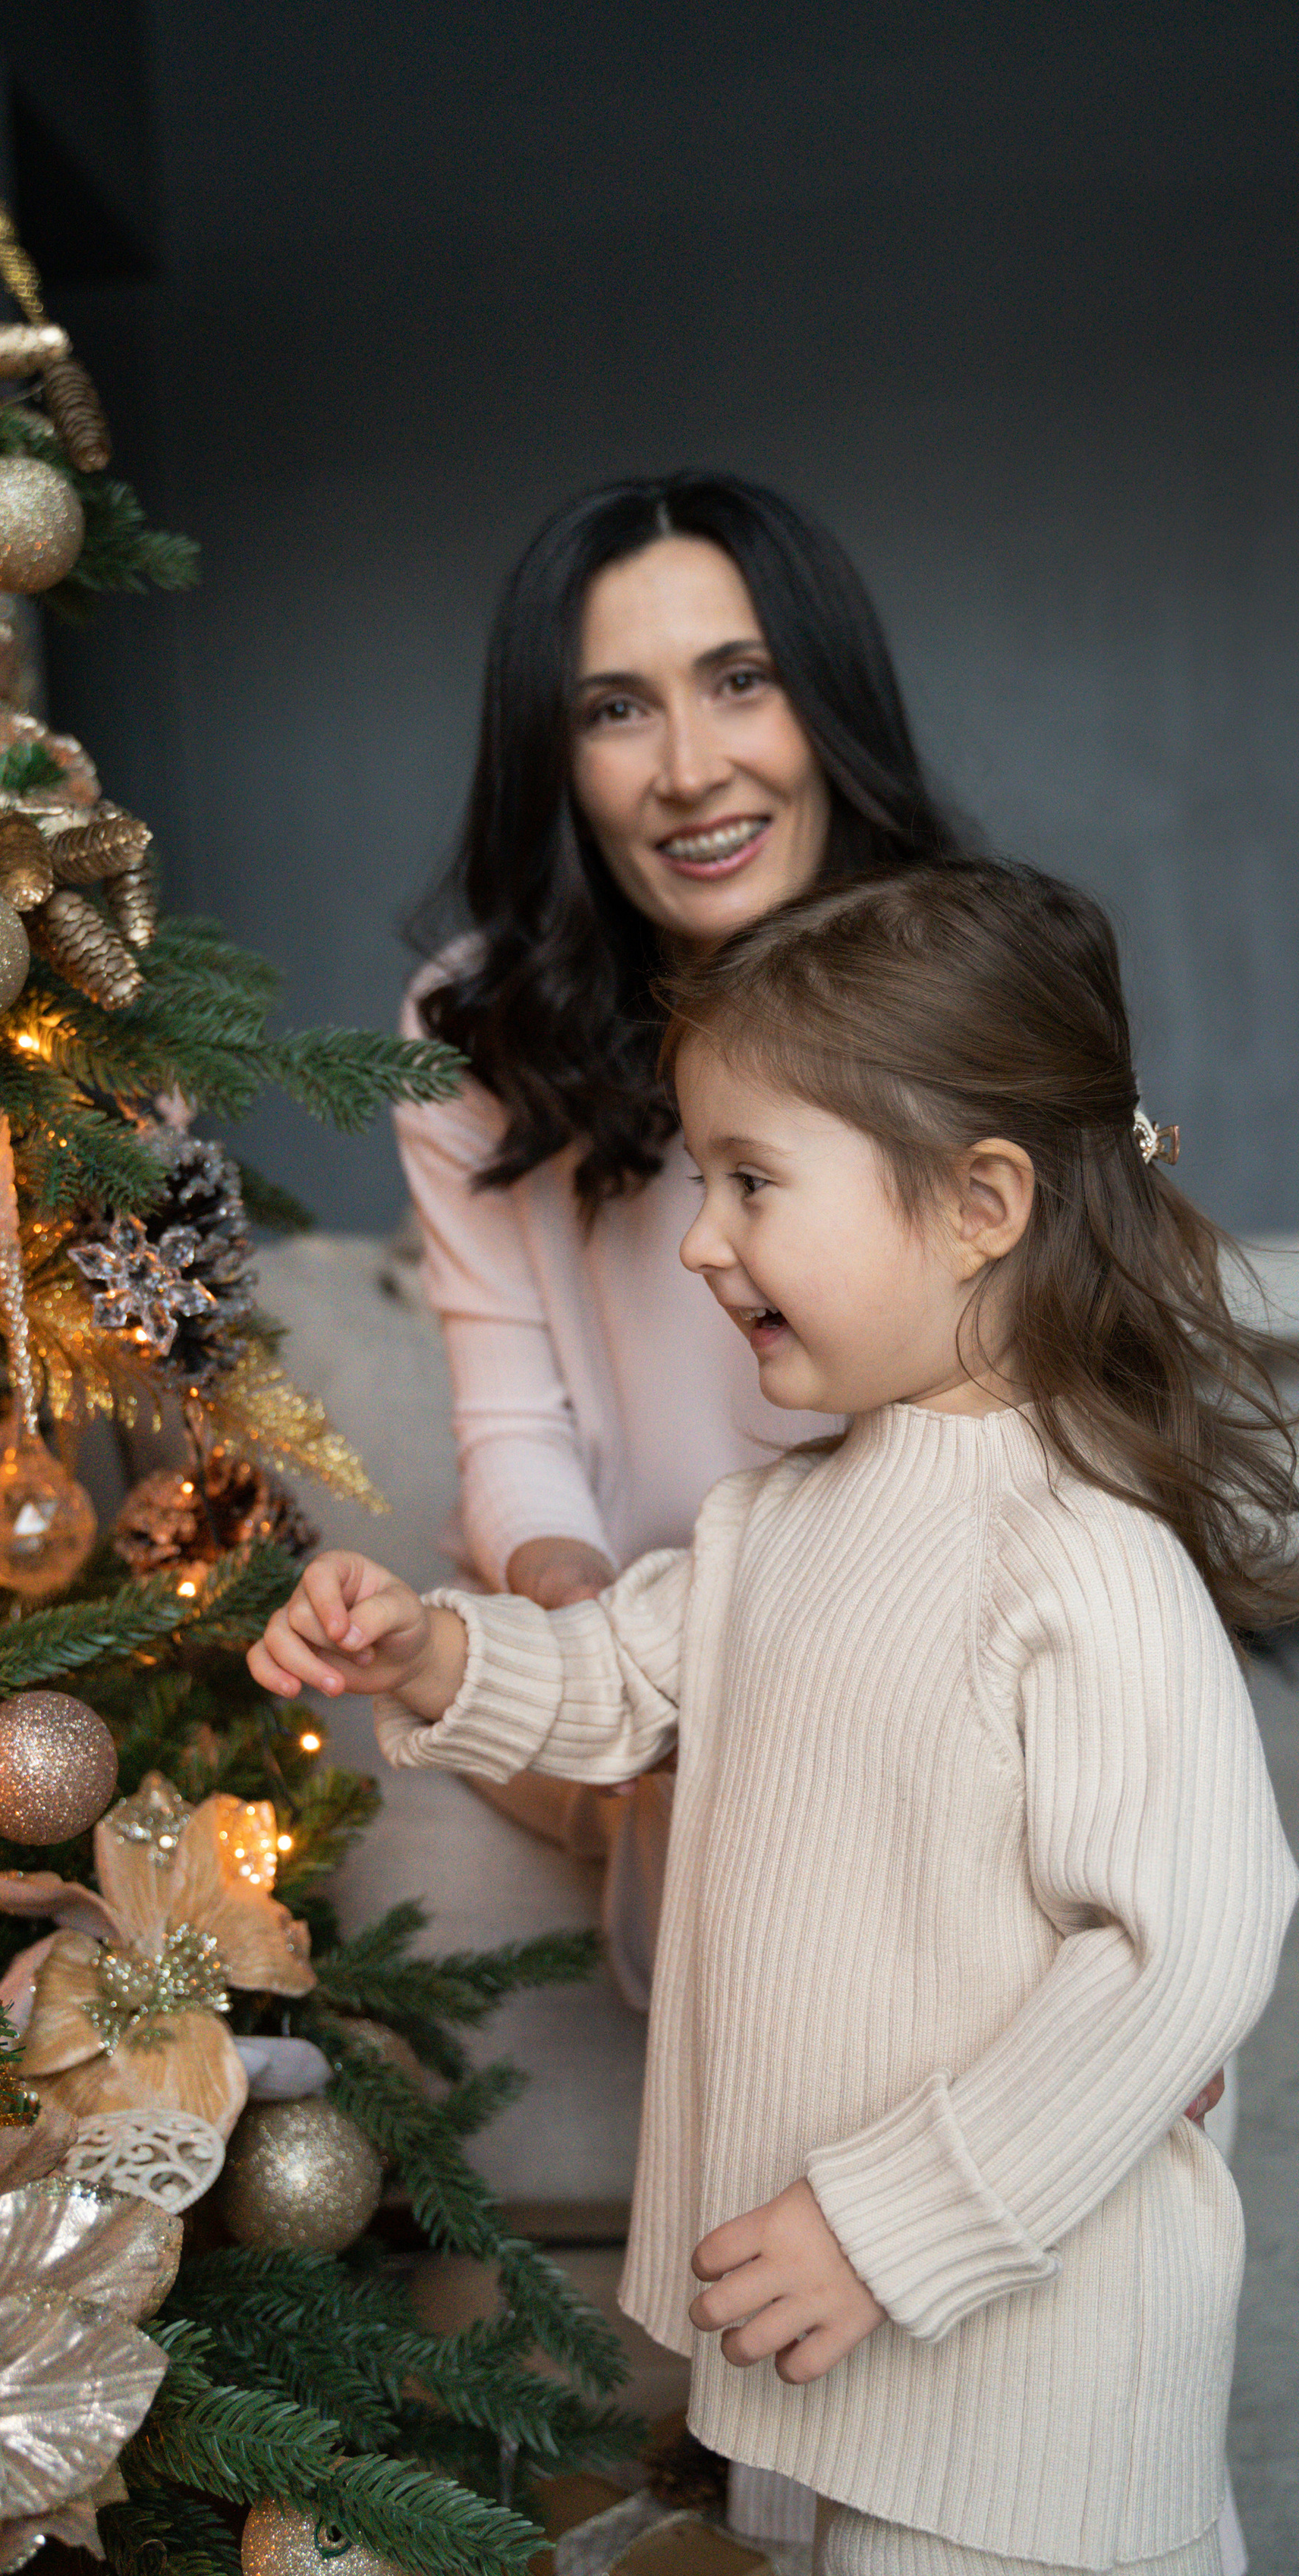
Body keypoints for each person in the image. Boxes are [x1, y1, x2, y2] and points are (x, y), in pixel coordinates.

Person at [254, 858, 1299, 2576]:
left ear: (979, 1203)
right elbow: (613, 1682)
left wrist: (883, 2227)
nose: (695, 1241)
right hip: (823, 2371)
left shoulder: (1085, 1563)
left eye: (752, 1183)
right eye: (697, 1179)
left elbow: (1173, 1961)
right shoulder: (771, 1526)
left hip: (1025, 2381)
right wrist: (430, 1655)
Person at [395, 470, 961, 2002]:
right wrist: (590, 1627)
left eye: (739, 683)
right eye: (614, 710)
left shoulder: (974, 992)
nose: (689, 769)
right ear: (557, 758)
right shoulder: (473, 1032)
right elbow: (510, 1424)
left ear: (824, 698)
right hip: (624, 1647)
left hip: (929, 1619)